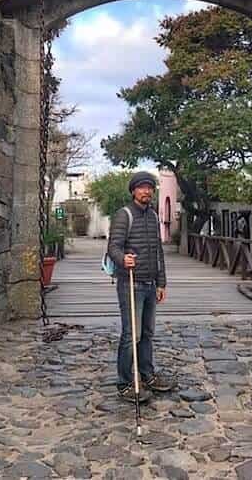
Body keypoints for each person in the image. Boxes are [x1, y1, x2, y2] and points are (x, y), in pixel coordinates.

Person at [107, 170, 174, 402]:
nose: (146, 191)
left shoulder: (154, 217)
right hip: (130, 283)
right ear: (133, 191)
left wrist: (161, 282)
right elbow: (113, 247)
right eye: (141, 187)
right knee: (130, 335)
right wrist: (122, 259)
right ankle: (125, 382)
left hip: (149, 283)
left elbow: (158, 252)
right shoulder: (124, 215)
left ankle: (147, 374)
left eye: (149, 187)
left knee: (147, 333)